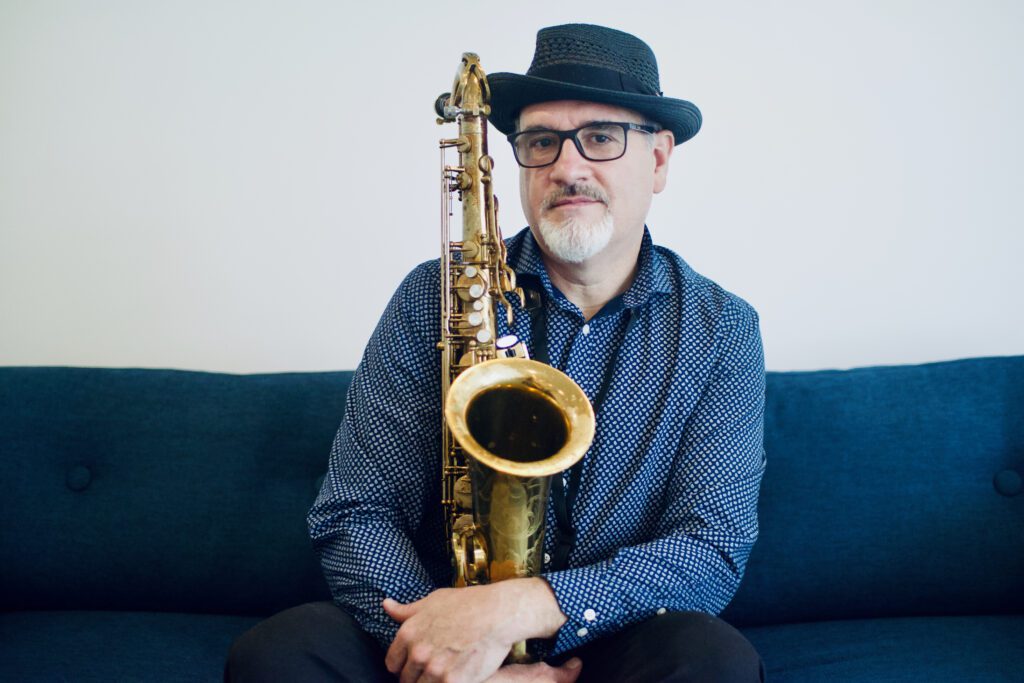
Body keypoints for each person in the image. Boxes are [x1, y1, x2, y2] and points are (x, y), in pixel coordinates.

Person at [227, 23, 766, 683]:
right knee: (278, 655)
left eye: (600, 137)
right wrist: (447, 644)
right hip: (431, 633)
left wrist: (523, 608)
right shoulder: (433, 294)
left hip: (605, 645)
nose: (568, 168)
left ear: (657, 160)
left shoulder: (722, 329)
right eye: (541, 142)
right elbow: (355, 509)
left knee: (713, 663)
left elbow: (710, 546)